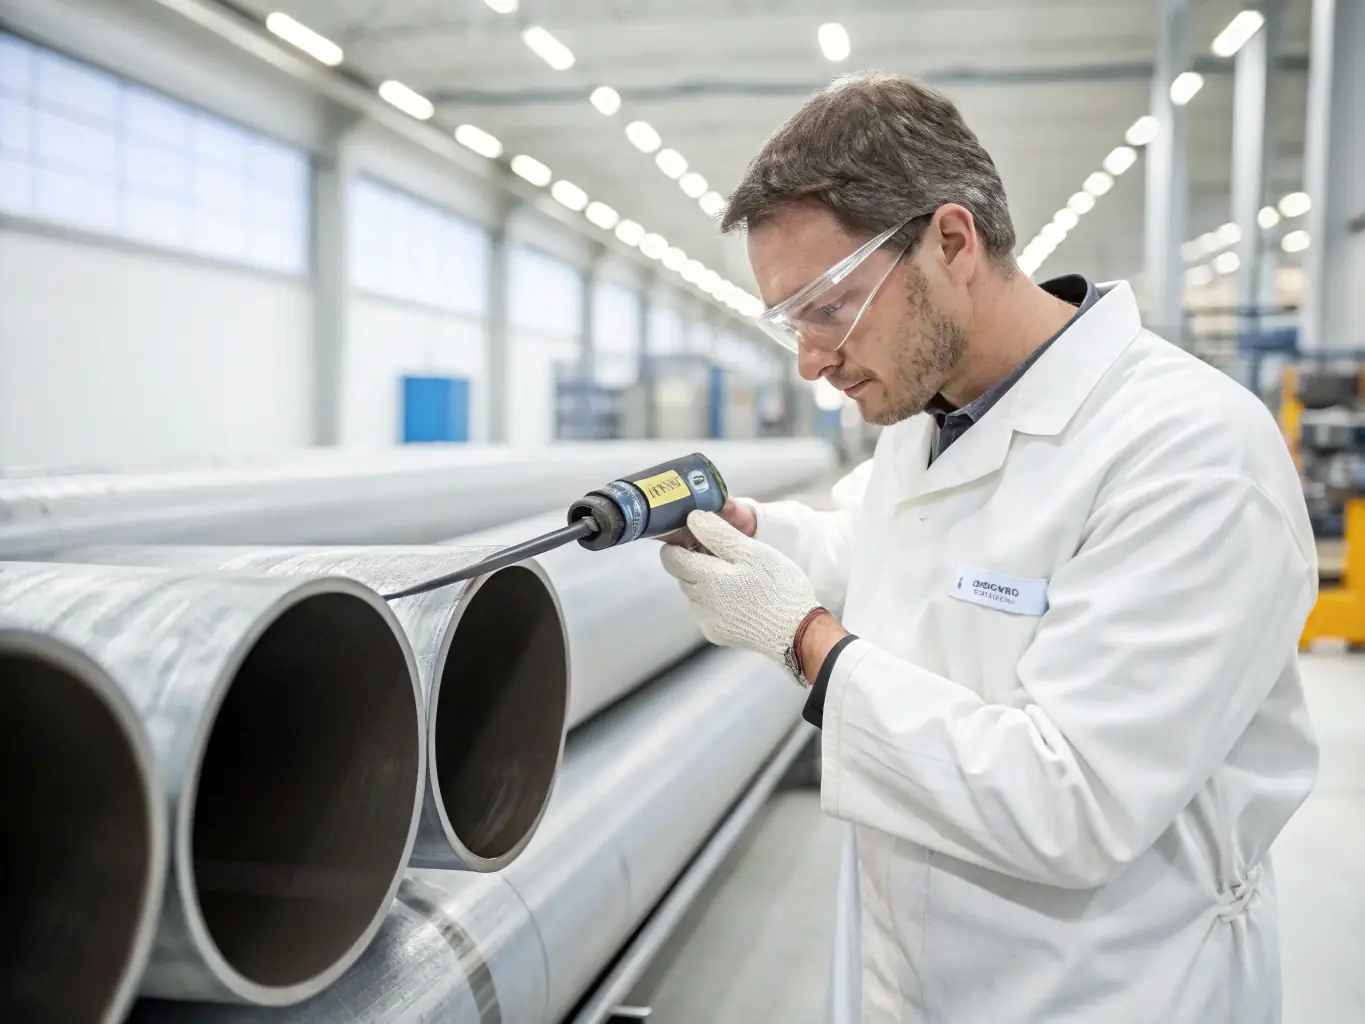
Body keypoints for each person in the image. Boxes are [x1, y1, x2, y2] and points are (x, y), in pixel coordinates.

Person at [659, 73, 1319, 1023]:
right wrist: (761, 537)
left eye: (827, 306)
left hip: (1102, 988)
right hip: (914, 975)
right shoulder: (926, 414)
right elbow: (881, 549)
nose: (807, 359)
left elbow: (1071, 800)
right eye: (788, 320)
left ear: (951, 242)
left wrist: (799, 637)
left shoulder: (1189, 453)